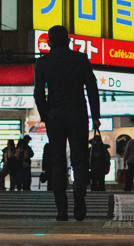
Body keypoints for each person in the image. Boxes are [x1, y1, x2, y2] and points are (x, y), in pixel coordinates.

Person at [34, 25, 101, 220]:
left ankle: (61, 209)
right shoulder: (80, 59)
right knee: (79, 160)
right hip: (78, 114)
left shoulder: (43, 62)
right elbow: (92, 88)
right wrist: (95, 115)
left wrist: (46, 114)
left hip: (55, 116)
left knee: (58, 162)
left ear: (49, 42)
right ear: (69, 41)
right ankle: (79, 192)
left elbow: (38, 93)